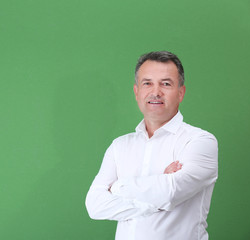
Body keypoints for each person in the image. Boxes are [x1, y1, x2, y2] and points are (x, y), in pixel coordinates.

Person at [85, 51, 218, 240]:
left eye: (166, 83)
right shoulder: (119, 146)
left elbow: (171, 193)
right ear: (136, 92)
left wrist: (116, 188)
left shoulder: (200, 141)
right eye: (147, 83)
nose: (156, 92)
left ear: (181, 92)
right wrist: (158, 189)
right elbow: (95, 206)